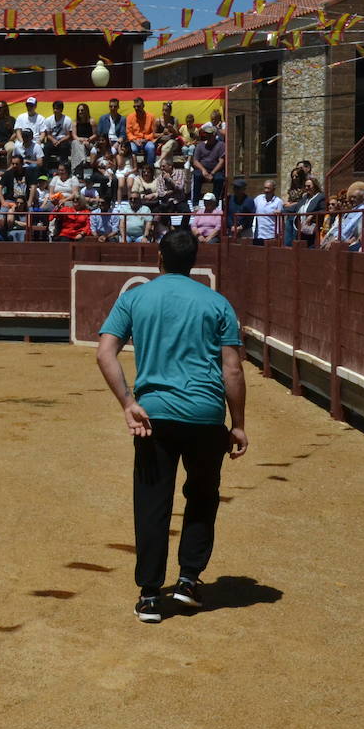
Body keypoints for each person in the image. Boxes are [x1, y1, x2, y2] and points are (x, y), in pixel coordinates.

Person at [96, 229, 248, 624]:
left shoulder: (135, 297)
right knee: (201, 496)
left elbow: (105, 353)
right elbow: (232, 368)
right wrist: (239, 423)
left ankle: (149, 595)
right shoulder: (217, 303)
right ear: (193, 261)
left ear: (159, 259)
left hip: (153, 416)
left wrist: (129, 403)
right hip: (205, 416)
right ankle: (188, 580)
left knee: (152, 501)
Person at [252, 179, 284, 245]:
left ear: (273, 189)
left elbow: (280, 219)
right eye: (265, 188)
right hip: (258, 235)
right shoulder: (258, 199)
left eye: (268, 188)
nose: (266, 190)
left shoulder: (278, 201)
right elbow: (251, 209)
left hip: (271, 235)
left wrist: (279, 234)